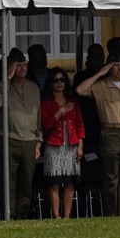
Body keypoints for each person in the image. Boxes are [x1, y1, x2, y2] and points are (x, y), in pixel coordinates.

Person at [77, 50, 120, 217]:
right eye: (116, 66)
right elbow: (80, 90)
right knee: (111, 178)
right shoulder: (100, 86)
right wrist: (100, 73)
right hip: (110, 131)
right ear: (108, 67)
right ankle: (111, 214)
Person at [0, 48, 43, 219]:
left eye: (23, 65)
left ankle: (21, 217)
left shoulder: (34, 87)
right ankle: (9, 216)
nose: (21, 69)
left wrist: (38, 141)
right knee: (8, 182)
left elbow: (38, 116)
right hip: (8, 138)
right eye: (17, 66)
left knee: (26, 183)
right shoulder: (1, 86)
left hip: (29, 140)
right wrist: (7, 76)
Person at [40, 68, 84, 219]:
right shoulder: (45, 102)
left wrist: (80, 145)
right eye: (55, 80)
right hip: (54, 145)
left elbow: (79, 124)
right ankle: (57, 216)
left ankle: (66, 216)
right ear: (50, 84)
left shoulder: (73, 100)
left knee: (70, 182)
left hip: (71, 144)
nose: (59, 83)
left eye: (62, 79)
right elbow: (46, 124)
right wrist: (60, 111)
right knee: (54, 183)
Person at [74, 43, 105, 153]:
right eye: (96, 55)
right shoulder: (81, 77)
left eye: (101, 55)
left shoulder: (109, 75)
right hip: (89, 119)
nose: (99, 58)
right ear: (89, 58)